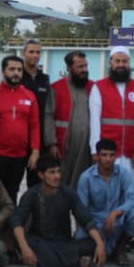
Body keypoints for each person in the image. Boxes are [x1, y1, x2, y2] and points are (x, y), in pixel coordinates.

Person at [11, 155, 101, 267]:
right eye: (52, 172)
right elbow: (17, 221)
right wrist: (24, 248)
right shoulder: (31, 194)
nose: (57, 176)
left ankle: (45, 261)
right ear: (41, 175)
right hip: (41, 243)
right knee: (23, 241)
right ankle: (75, 264)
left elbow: (86, 220)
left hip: (65, 244)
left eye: (58, 172)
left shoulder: (68, 193)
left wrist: (100, 244)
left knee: (94, 242)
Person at [76, 139, 134, 266]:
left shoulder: (123, 173)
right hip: (96, 223)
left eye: (112, 155)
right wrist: (94, 230)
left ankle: (120, 248)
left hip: (117, 223)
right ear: (97, 156)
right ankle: (98, 249)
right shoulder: (86, 178)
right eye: (104, 155)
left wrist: (116, 212)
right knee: (80, 234)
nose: (108, 159)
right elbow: (81, 211)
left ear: (116, 156)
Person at [88, 45, 134, 182]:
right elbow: (94, 122)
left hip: (130, 153)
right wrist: (95, 150)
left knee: (129, 189)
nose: (121, 65)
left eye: (124, 61)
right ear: (110, 62)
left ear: (129, 63)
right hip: (107, 153)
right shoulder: (99, 87)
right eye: (117, 61)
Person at [0, 55, 40, 202]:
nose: (16, 73)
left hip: (19, 157)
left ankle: (10, 217)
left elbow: (35, 125)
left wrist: (35, 151)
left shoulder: (30, 96)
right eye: (12, 69)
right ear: (3, 71)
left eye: (19, 70)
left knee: (11, 194)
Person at [43, 50, 93, 188]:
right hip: (63, 145)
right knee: (61, 181)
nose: (84, 70)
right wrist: (51, 143)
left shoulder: (93, 87)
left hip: (85, 147)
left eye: (85, 66)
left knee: (82, 180)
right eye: (80, 67)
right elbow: (48, 115)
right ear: (69, 68)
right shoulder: (56, 88)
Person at [19, 38, 51, 188]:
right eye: (31, 52)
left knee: (37, 183)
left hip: (39, 140)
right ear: (23, 52)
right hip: (20, 138)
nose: (35, 55)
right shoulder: (17, 76)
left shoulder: (44, 79)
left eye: (38, 52)